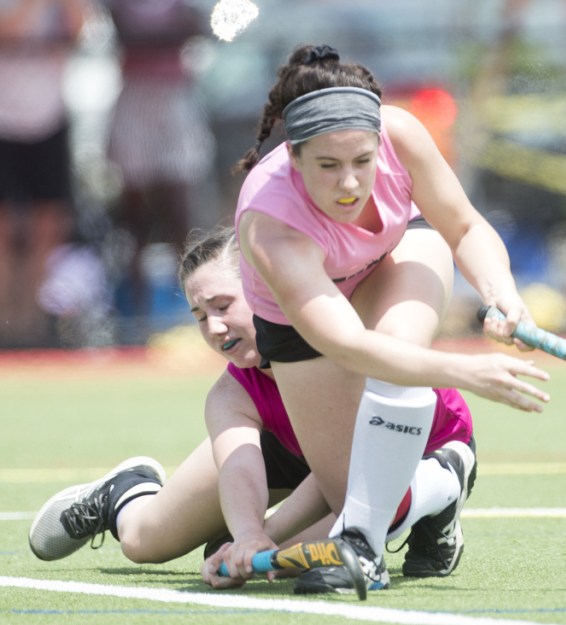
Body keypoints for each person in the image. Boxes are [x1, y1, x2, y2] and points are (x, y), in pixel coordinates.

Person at [231, 44, 549, 594]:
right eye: (328, 167)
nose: (350, 183)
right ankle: (446, 478)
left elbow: (466, 228)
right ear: (294, 158)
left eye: (362, 162)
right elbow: (349, 344)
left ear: (379, 144)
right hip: (302, 325)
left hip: (395, 256)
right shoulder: (270, 222)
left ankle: (364, 554)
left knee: (363, 519)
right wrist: (466, 371)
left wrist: (502, 296)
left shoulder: (400, 132)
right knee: (370, 501)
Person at [28, 226, 479, 592]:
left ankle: (440, 486)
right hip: (308, 458)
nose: (214, 327)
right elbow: (239, 469)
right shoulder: (229, 395)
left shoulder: (332, 345)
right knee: (143, 541)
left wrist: (264, 542)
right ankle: (123, 493)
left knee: (292, 560)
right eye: (199, 315)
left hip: (403, 450)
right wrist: (247, 535)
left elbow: (337, 479)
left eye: (223, 305)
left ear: (265, 290)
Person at [101, 0, 215, 338]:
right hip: (136, 98)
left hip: (174, 99)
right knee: (133, 221)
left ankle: (195, 311)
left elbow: (200, 27)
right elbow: (125, 33)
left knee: (181, 217)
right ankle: (134, 319)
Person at [0, 0, 87, 347]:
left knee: (48, 226)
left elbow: (80, 30)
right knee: (5, 228)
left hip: (50, 116)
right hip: (4, 120)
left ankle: (32, 324)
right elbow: (9, 31)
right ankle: (5, 318)